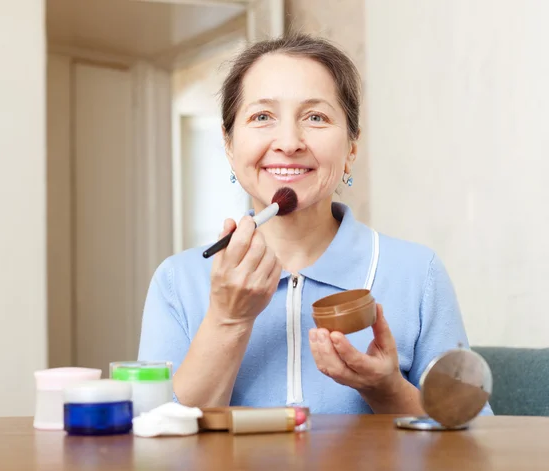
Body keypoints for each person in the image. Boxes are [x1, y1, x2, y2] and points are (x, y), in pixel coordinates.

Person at [138, 33, 493, 416]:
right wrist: (227, 318)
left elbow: (472, 440)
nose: (289, 142)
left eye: (316, 117)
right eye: (262, 117)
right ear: (228, 144)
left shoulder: (417, 274)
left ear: (351, 148)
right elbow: (157, 446)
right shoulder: (177, 281)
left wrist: (387, 390)